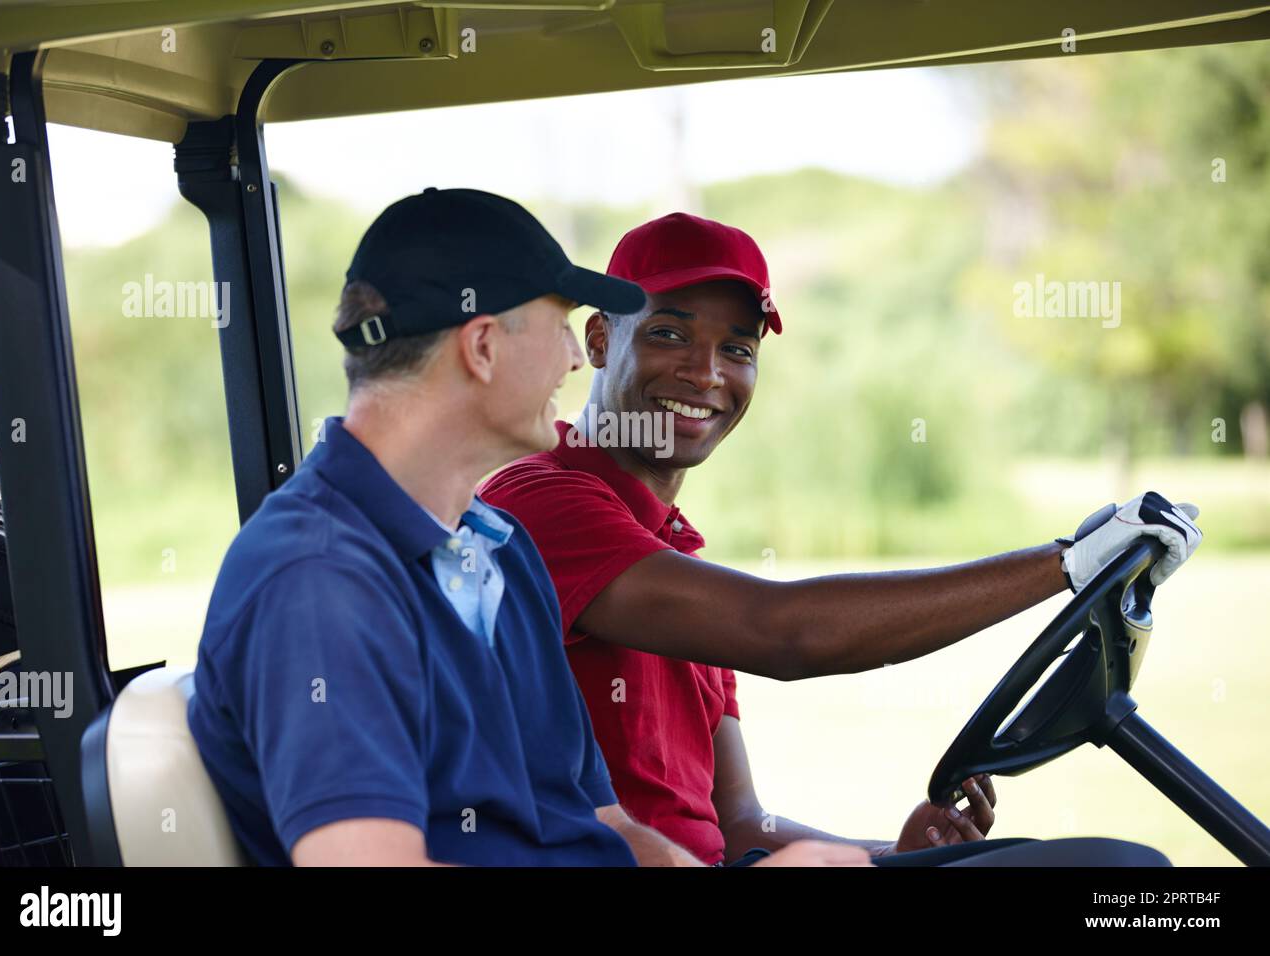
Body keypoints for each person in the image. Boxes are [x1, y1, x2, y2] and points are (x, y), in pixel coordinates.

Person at [479, 211, 1198, 866]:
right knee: (1119, 873)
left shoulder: (674, 558)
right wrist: (1065, 565)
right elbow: (784, 634)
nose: (706, 374)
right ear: (602, 338)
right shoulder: (540, 499)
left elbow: (738, 823)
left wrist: (893, 849)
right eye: (670, 333)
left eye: (737, 348)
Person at [187, 188, 868, 867]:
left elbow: (603, 824)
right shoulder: (320, 576)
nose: (576, 359)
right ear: (483, 347)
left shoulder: (499, 551)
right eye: (561, 326)